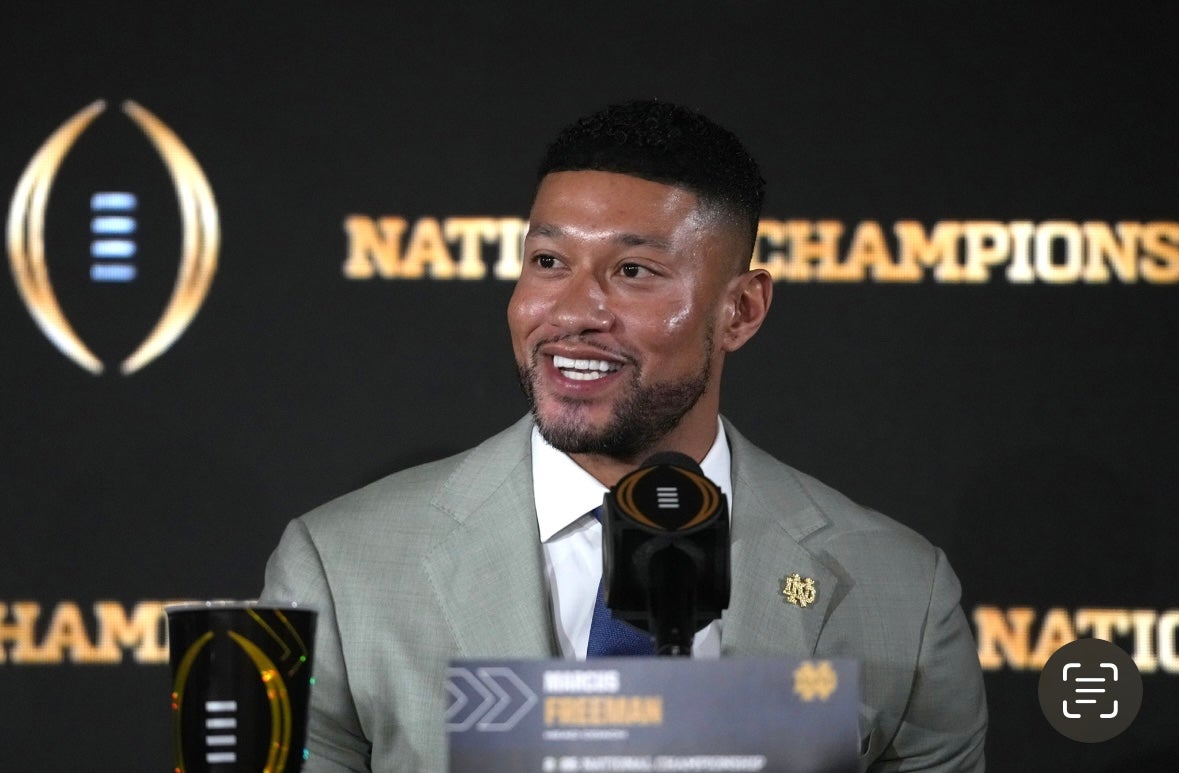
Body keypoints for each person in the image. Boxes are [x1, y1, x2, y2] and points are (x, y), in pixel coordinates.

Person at [261, 100, 987, 771]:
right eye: (547, 262)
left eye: (634, 270)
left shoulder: (901, 595)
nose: (572, 311)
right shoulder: (339, 571)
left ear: (740, 310)